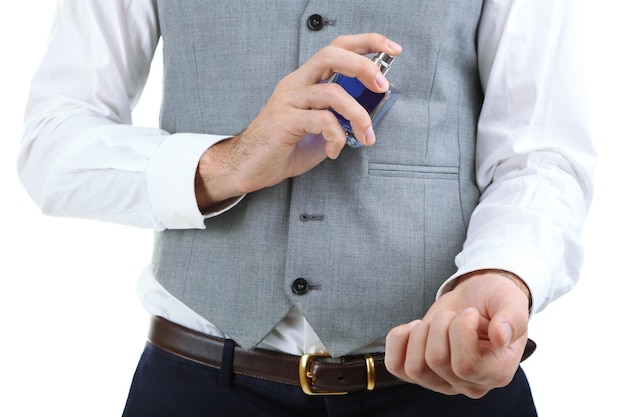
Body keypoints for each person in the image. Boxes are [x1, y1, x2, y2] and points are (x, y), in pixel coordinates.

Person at [18, 1, 594, 416]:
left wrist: (500, 272)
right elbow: (53, 142)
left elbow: (541, 156)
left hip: (446, 388)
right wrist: (224, 164)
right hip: (198, 383)